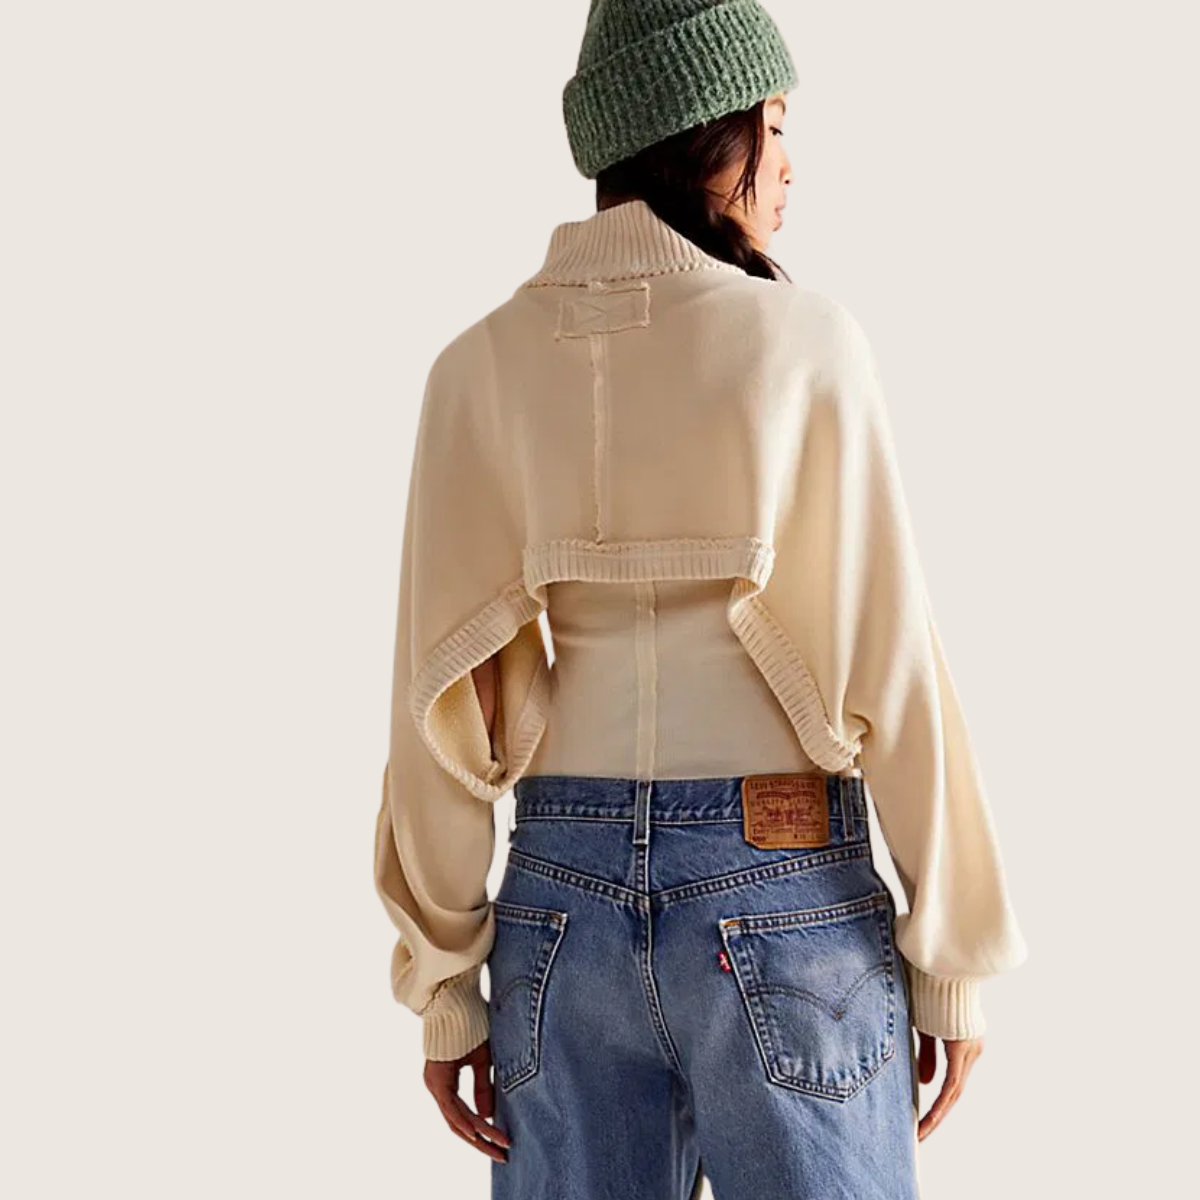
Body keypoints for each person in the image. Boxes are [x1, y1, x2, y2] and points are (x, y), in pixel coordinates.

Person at [372, 2, 1029, 1196]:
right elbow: (890, 660)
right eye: (774, 125)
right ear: (706, 135)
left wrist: (446, 983)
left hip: (556, 903)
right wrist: (951, 957)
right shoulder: (803, 343)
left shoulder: (476, 367)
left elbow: (437, 702)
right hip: (782, 891)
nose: (791, 164)